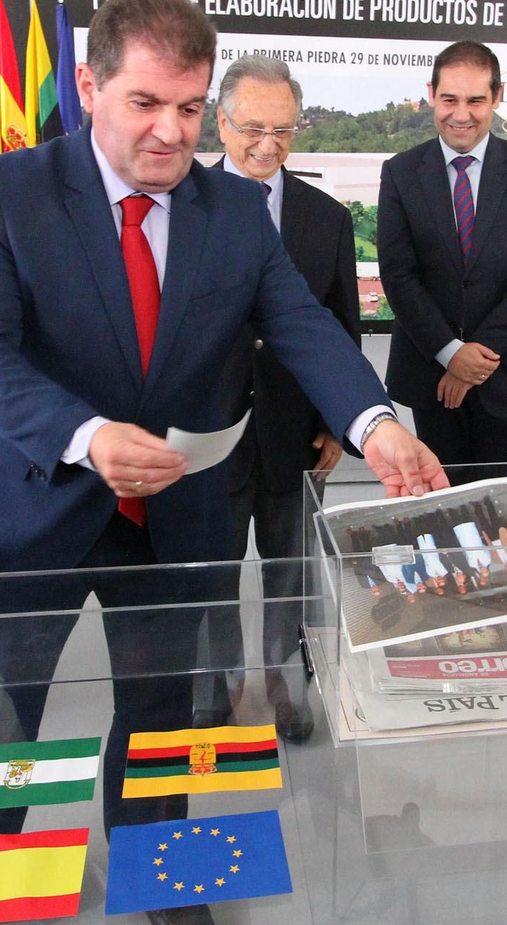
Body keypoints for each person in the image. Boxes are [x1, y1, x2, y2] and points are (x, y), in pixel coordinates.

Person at [0, 0, 446, 871]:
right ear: (91, 89)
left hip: (173, 526)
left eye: (187, 106)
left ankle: (157, 872)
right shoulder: (7, 190)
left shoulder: (235, 211)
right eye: (145, 103)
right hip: (30, 511)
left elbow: (304, 326)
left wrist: (376, 425)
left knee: (161, 722)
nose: (171, 132)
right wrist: (85, 433)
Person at [195, 55, 360, 741]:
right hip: (207, 436)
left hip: (295, 432)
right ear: (220, 121)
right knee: (211, 571)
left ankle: (286, 681)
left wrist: (336, 424)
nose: (267, 144)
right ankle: (215, 683)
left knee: (292, 569)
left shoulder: (327, 218)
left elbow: (340, 327)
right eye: (252, 127)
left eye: (284, 129)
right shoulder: (181, 204)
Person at [377, 40, 507, 488]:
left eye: (476, 100)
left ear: (497, 97)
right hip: (431, 377)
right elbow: (399, 277)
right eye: (450, 100)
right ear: (431, 95)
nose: (462, 114)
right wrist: (449, 353)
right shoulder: (400, 172)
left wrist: (474, 359)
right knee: (441, 513)